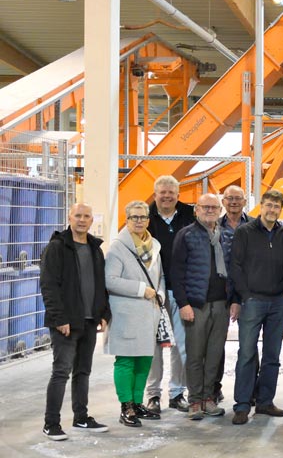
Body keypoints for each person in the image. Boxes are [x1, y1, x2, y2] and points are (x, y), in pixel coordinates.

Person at [40, 203, 111, 440]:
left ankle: (81, 418)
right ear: (69, 217)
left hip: (89, 321)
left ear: (91, 220)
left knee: (83, 372)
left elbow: (101, 284)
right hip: (66, 323)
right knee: (61, 372)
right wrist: (59, 318)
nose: (82, 220)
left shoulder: (95, 248)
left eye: (86, 216)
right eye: (77, 215)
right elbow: (49, 286)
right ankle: (51, 423)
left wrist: (104, 313)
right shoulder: (56, 247)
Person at [229, 190, 283, 425]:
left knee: (272, 355)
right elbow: (235, 265)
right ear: (261, 206)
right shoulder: (244, 232)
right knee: (247, 353)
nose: (272, 210)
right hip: (253, 301)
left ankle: (265, 401)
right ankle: (242, 405)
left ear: (280, 209)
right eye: (269, 205)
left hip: (278, 302)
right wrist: (245, 295)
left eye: (277, 206)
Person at [104, 201, 166, 428]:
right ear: (127, 220)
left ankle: (138, 403)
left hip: (150, 312)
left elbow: (160, 276)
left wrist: (160, 294)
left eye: (143, 217)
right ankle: (126, 406)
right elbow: (110, 280)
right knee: (126, 360)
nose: (139, 221)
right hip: (126, 313)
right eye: (134, 217)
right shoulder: (118, 247)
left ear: (148, 220)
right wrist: (142, 290)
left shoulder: (154, 245)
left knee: (144, 360)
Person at [169, 194, 230, 420]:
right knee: (195, 355)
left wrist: (233, 300)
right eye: (205, 207)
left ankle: (208, 398)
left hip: (221, 304)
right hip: (196, 305)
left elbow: (233, 269)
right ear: (197, 210)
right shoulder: (186, 235)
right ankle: (195, 400)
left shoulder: (226, 236)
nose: (210, 210)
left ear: (220, 210)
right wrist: (183, 303)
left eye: (214, 207)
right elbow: (176, 273)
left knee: (214, 354)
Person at [146, 175, 195, 414]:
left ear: (178, 195)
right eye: (162, 192)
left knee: (181, 344)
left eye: (171, 193)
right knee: (154, 345)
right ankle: (153, 395)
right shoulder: (145, 217)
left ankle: (177, 393)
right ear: (155, 195)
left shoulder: (189, 215)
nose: (166, 197)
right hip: (153, 290)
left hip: (180, 289)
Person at [216, 184, 251, 403]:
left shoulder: (254, 226)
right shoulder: (214, 226)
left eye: (238, 198)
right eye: (229, 198)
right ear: (223, 202)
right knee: (216, 344)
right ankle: (214, 388)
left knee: (248, 346)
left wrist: (240, 296)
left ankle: (249, 391)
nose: (234, 202)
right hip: (220, 291)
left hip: (246, 292)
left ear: (245, 202)